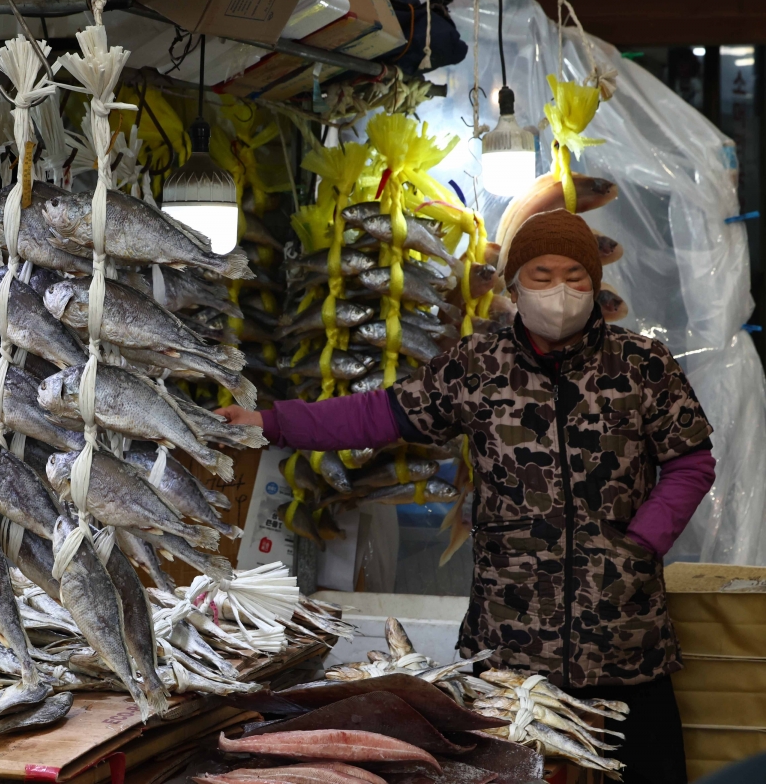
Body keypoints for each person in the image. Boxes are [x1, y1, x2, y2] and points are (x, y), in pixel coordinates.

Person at [217, 209, 716, 784]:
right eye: (542, 273)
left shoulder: (641, 364)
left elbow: (690, 459)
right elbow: (377, 415)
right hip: (511, 642)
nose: (561, 290)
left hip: (625, 635)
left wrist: (642, 541)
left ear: (596, 284)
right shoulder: (478, 365)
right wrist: (270, 421)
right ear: (514, 284)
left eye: (576, 275)